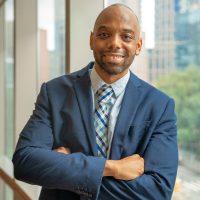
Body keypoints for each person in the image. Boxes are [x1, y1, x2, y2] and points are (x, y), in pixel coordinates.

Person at [12, 3, 178, 200]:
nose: (115, 43)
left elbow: (158, 192)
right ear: (92, 40)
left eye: (126, 37)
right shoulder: (54, 92)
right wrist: (112, 168)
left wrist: (67, 174)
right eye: (104, 35)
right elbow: (25, 162)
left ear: (138, 45)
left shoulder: (160, 106)